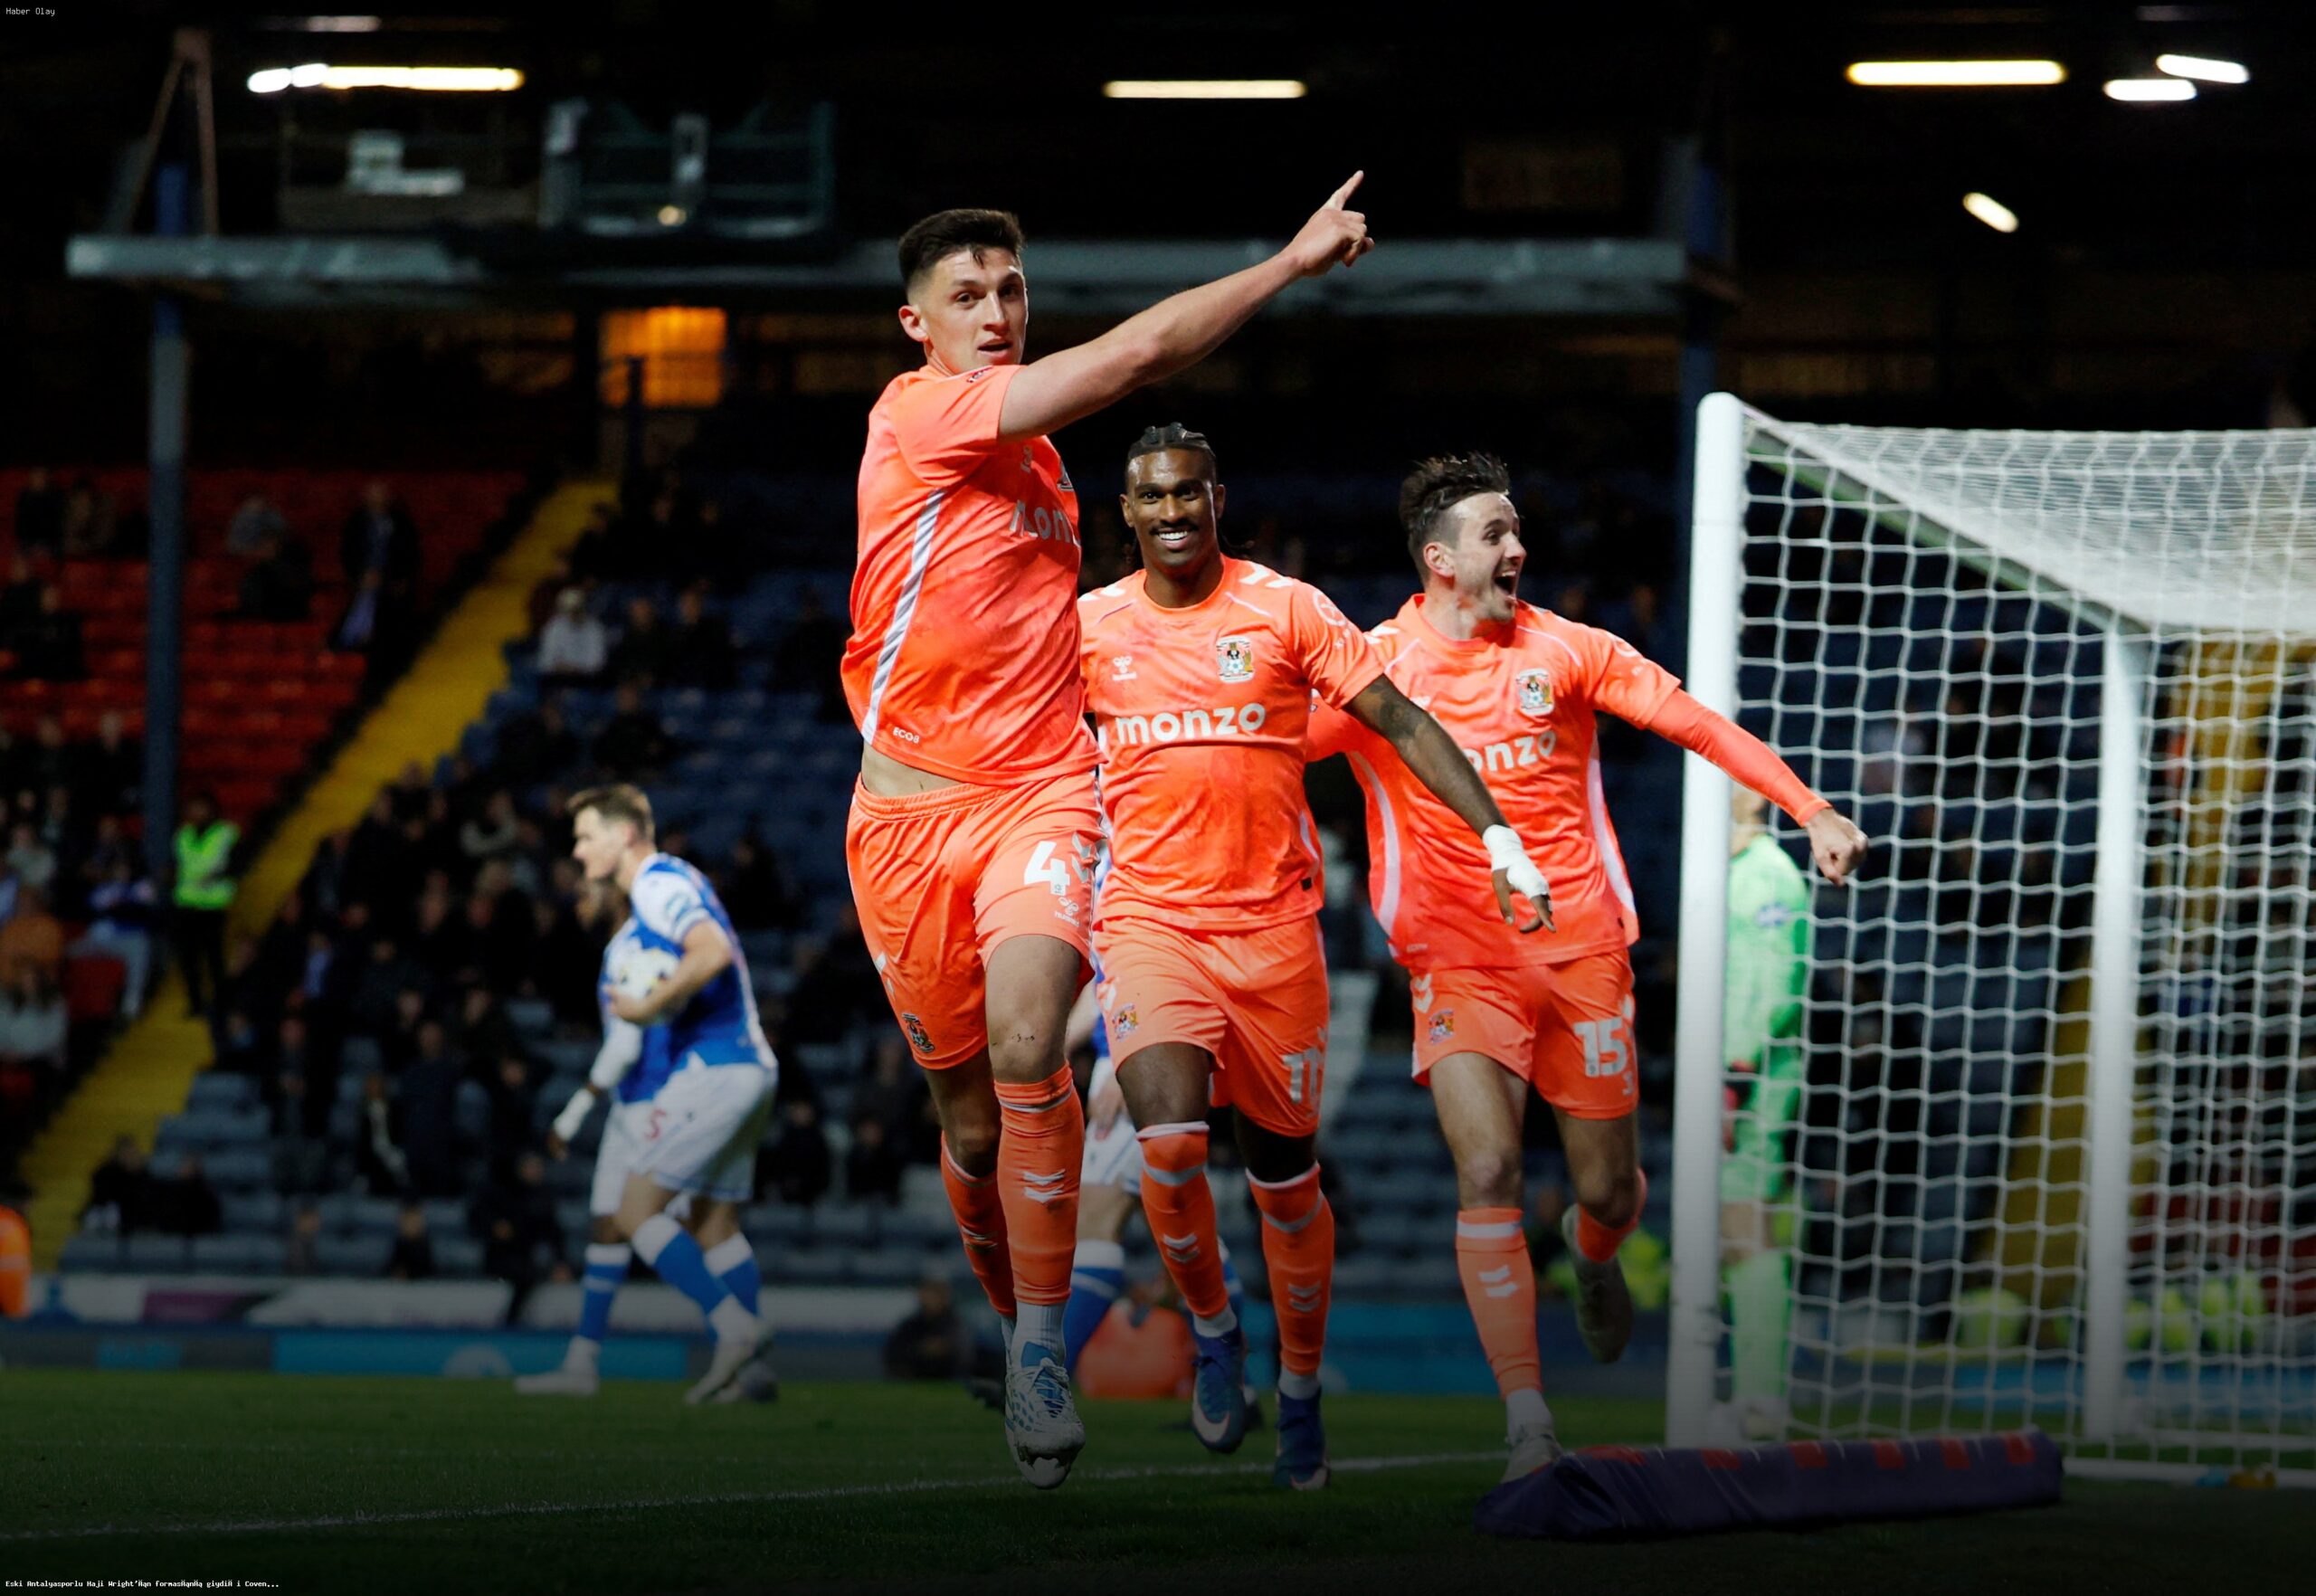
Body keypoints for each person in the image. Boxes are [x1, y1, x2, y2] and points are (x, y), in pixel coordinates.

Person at [840, 179, 1374, 1491]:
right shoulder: (925, 419)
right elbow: (1138, 354)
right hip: (905, 818)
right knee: (968, 1127)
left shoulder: (1047, 474)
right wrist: (1285, 263)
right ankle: (1011, 1299)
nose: (997, 313)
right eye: (967, 296)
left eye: (1011, 289)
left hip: (1040, 798)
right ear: (917, 325)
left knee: (1033, 1043)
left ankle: (1036, 1346)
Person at [1303, 452, 1868, 1480]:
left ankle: (1594, 1249)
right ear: (1438, 559)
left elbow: (1691, 721)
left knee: (1608, 1192)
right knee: (1486, 1171)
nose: (1518, 549)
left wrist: (1808, 808)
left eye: (1518, 531)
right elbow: (1255, 750)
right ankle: (1529, 1422)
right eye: (1495, 534)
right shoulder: (1374, 672)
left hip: (1581, 956)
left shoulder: (1565, 650)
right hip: (1456, 961)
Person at [1077, 425, 1554, 1489]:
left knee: (1285, 1187)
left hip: (1275, 939)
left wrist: (1502, 840)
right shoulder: (1086, 631)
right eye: (1151, 497)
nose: (1171, 512)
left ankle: (1299, 1387)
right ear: (1126, 510)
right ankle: (1214, 1334)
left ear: (1216, 498)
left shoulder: (1285, 607)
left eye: (1189, 494)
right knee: (1165, 1151)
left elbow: (1407, 721)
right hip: (1151, 927)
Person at [566, 784, 778, 1404]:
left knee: (635, 1211)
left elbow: (711, 951)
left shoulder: (657, 883)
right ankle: (752, 1373)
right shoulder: (665, 888)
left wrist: (647, 1005)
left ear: (624, 834)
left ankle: (735, 1330)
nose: (578, 853)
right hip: (746, 1066)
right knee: (714, 1224)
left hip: (714, 1068)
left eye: (585, 836)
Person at [521, 887, 688, 1398]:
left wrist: (573, 1111)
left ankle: (739, 1332)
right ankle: (582, 1362)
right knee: (608, 1226)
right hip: (636, 1103)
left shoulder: (631, 948)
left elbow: (626, 1041)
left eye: (590, 889)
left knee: (659, 1224)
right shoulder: (638, 944)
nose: (579, 898)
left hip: (649, 1103)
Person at [1713, 787, 1815, 1443]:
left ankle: (1760, 1400)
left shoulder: (1770, 873)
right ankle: (1754, 1394)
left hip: (1753, 1074)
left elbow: (1781, 978)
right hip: (1726, 1069)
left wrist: (1738, 1069)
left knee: (1746, 1224)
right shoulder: (1724, 871)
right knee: (1733, 1232)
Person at [171, 791, 239, 1017]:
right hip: (186, 904)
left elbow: (237, 864)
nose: (196, 812)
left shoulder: (226, 833)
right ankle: (195, 1003)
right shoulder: (183, 835)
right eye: (193, 807)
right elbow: (180, 866)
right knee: (188, 958)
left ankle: (221, 1003)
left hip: (213, 905)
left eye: (201, 807)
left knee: (213, 957)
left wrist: (217, 877)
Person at [884, 1275, 973, 1381]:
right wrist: (921, 1349)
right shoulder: (911, 1323)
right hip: (913, 1378)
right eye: (926, 1293)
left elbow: (958, 1352)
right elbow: (894, 1350)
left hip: (948, 1378)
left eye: (934, 1294)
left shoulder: (954, 1323)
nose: (928, 1298)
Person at [537, 589, 609, 684]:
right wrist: (561, 667)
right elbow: (546, 660)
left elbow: (596, 664)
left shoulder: (595, 629)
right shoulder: (555, 626)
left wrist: (573, 668)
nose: (573, 613)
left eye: (576, 609)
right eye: (570, 609)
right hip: (556, 677)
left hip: (586, 681)